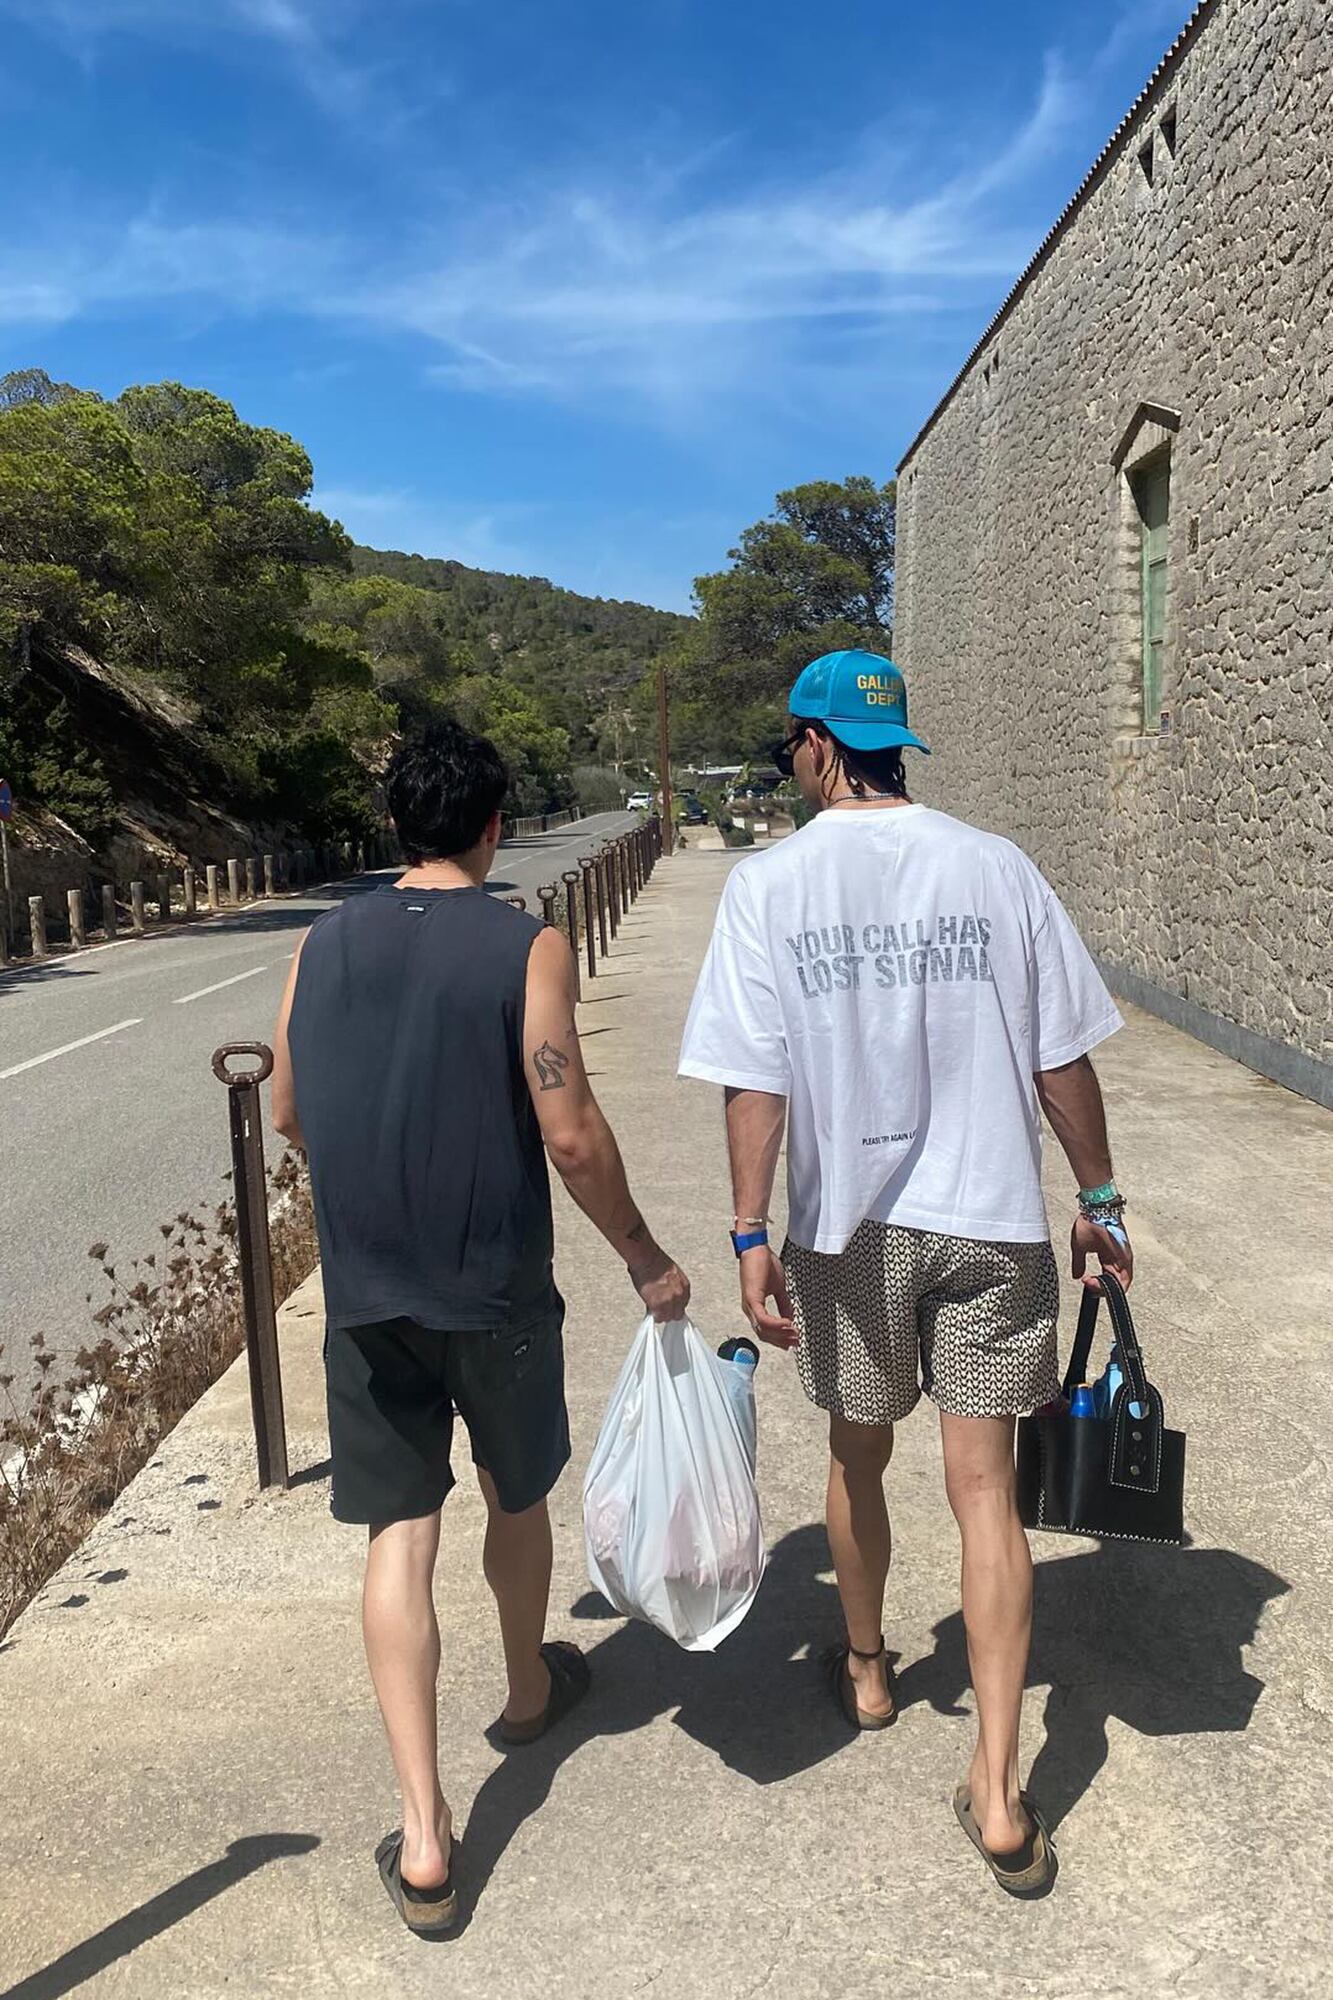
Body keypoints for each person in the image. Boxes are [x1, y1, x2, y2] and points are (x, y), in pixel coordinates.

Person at [678, 648, 1131, 1899]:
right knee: (986, 1495)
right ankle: (997, 1792)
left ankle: (870, 1669)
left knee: (854, 1450)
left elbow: (754, 1076)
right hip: (989, 1216)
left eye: (790, 749)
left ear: (820, 747)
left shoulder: (768, 886)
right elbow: (1061, 1061)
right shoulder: (994, 866)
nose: (791, 769)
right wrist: (1096, 1199)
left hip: (847, 1228)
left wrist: (747, 1229)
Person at [271, 719, 689, 1936]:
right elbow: (568, 1128)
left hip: (366, 1290)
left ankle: (421, 1832)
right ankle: (521, 1691)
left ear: (398, 823)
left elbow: (291, 1107)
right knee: (515, 1498)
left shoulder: (318, 942)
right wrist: (645, 1256)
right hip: (495, 1284)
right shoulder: (524, 943)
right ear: (495, 826)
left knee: (398, 1537)